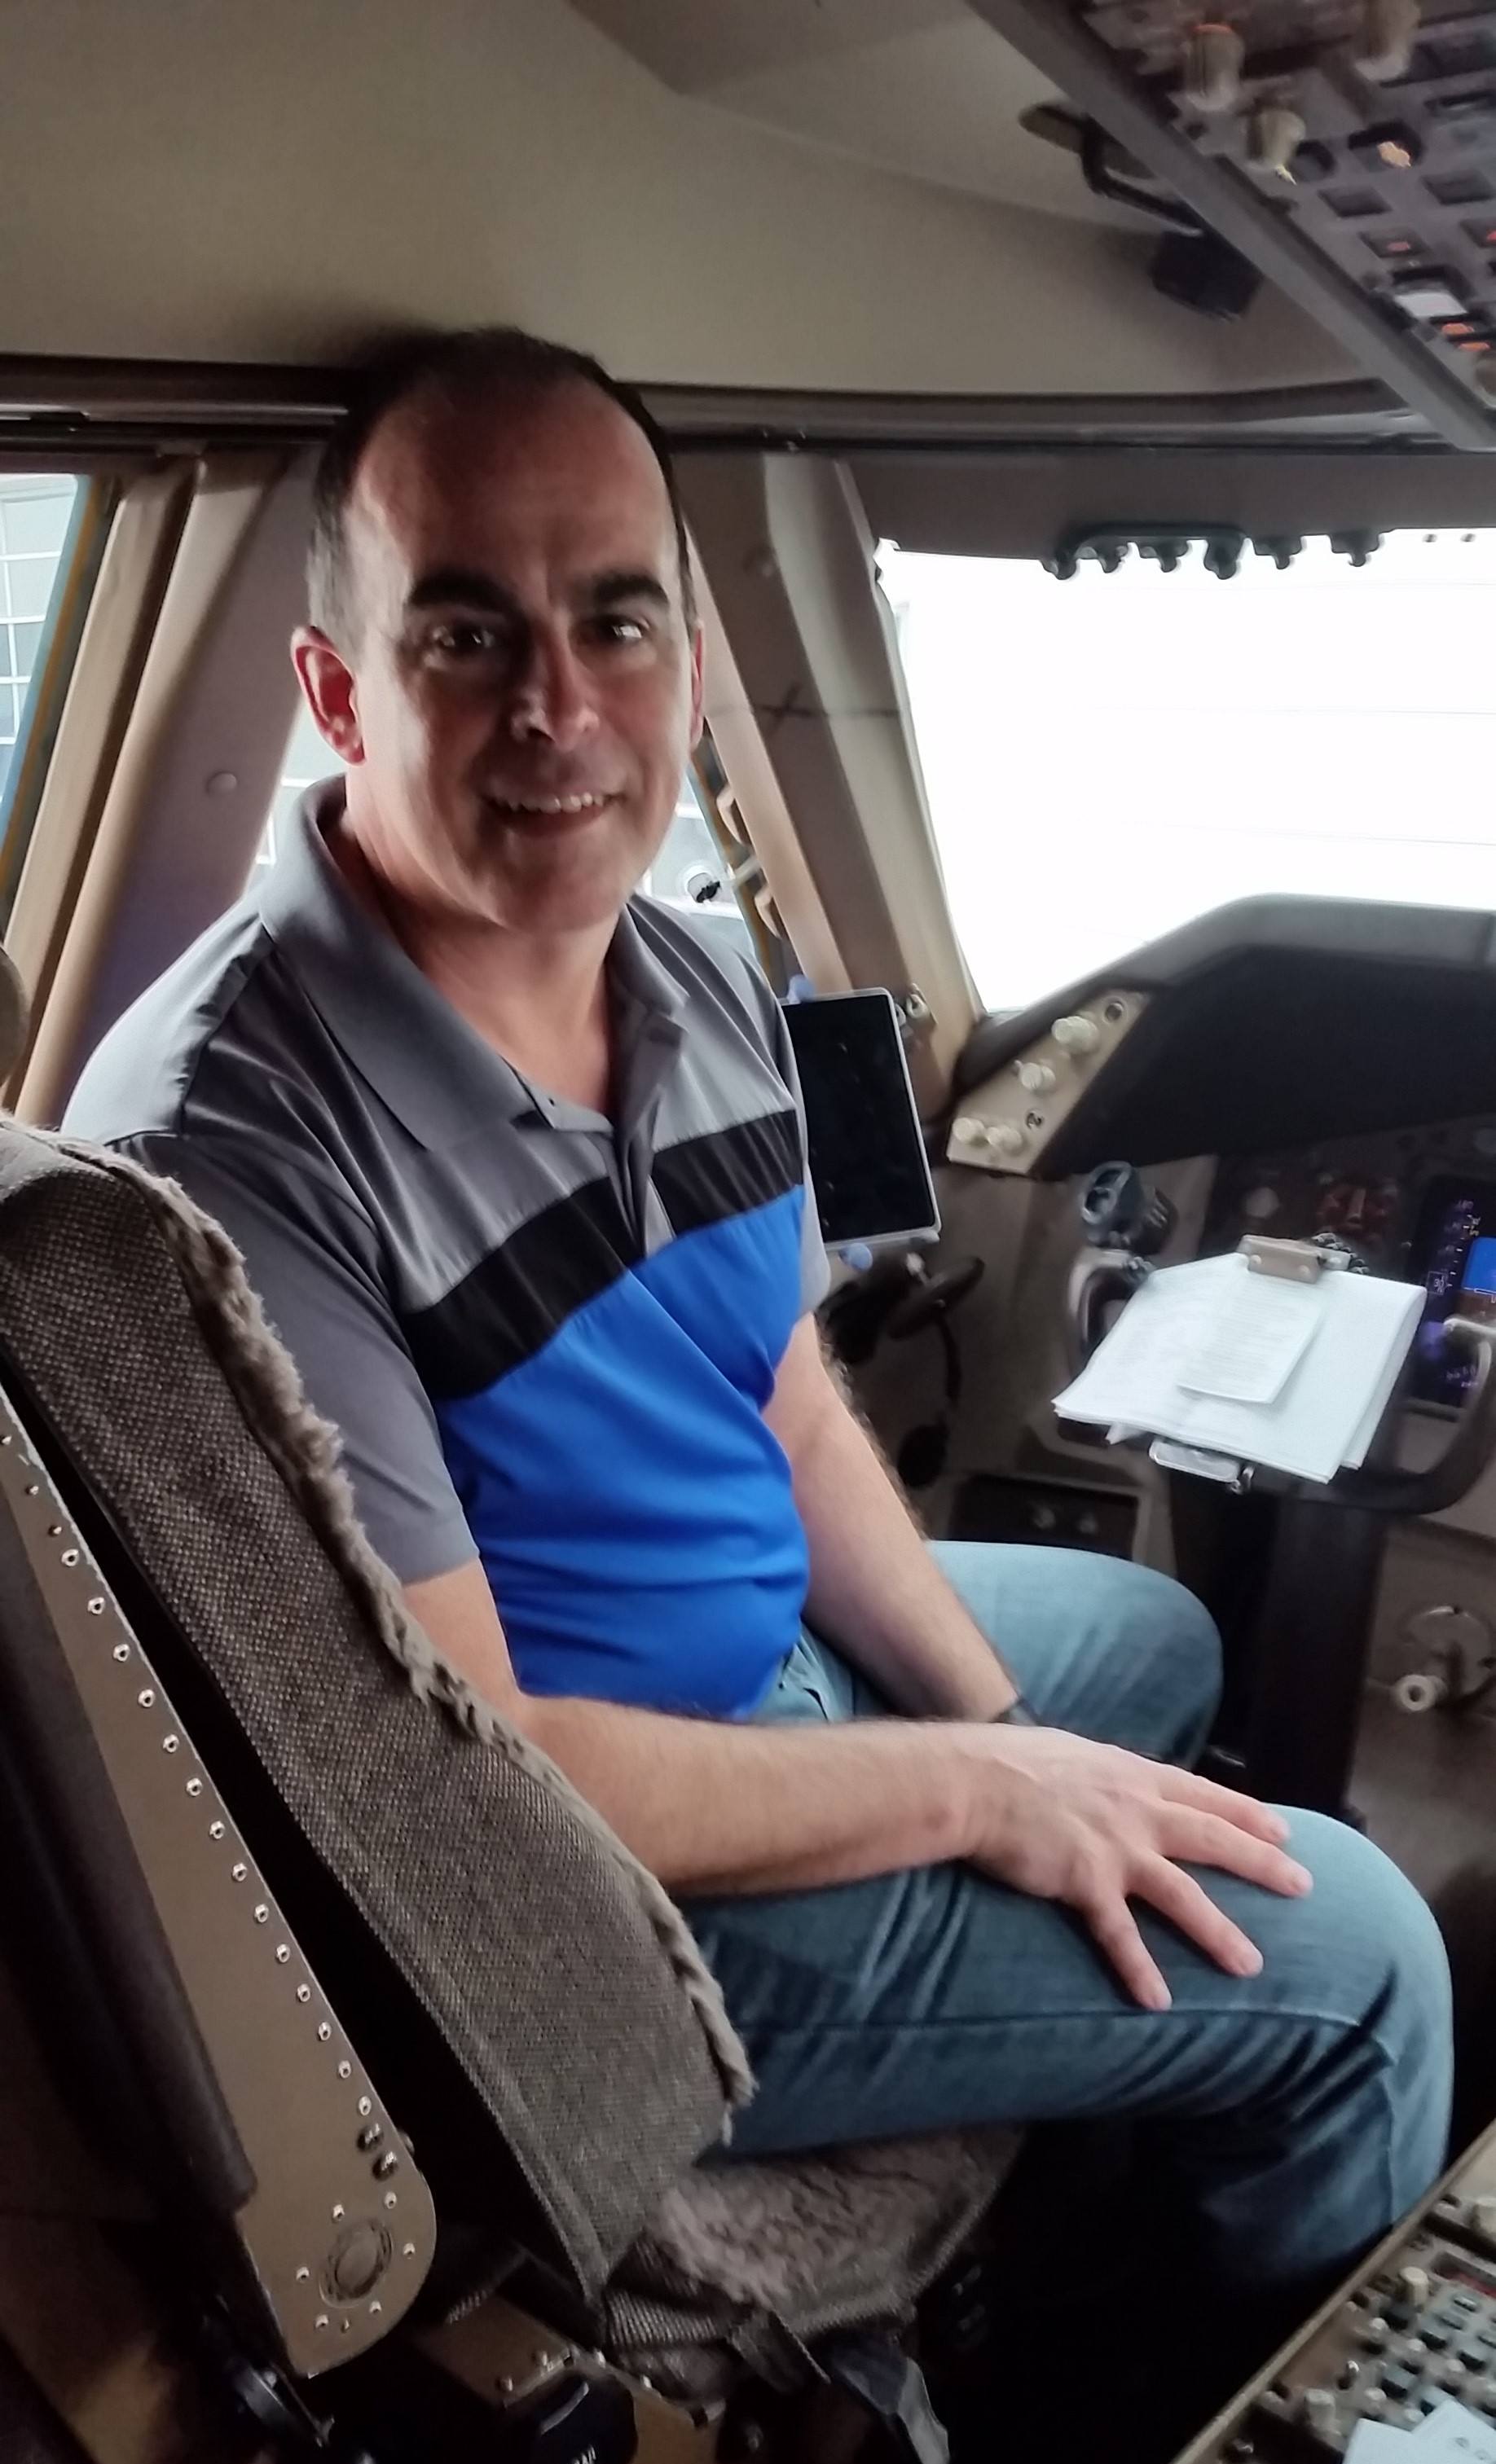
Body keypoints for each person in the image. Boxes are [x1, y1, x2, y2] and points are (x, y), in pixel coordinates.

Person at [67, 329, 1451, 2332]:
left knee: (1145, 1647)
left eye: (615, 620)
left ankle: (1110, 2117)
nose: (561, 708)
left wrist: (996, 1735)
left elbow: (788, 1413)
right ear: (337, 689)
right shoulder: (225, 1147)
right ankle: (1177, 2448)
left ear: (689, 667)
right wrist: (985, 1801)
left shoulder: (701, 979)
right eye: (467, 636)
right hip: (566, 1908)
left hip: (745, 1678)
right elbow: (478, 1781)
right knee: (1370, 1972)